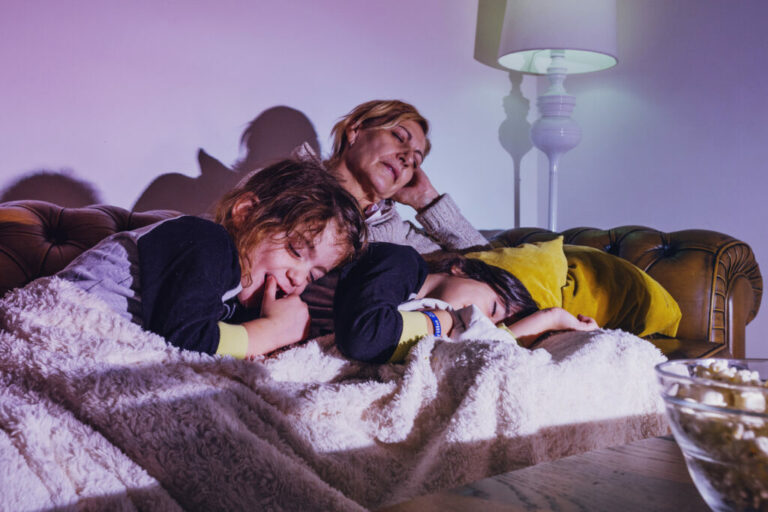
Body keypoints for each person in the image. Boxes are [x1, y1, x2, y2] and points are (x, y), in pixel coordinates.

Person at [56, 159, 367, 359]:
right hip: (65, 326)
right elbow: (185, 341)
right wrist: (274, 330)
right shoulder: (206, 240)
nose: (299, 277)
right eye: (296, 250)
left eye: (313, 275)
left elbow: (221, 347)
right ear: (246, 212)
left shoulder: (236, 300)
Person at [300, 99, 489, 336]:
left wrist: (428, 201)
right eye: (399, 137)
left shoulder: (398, 236)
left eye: (415, 162)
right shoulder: (286, 184)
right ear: (355, 130)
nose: (407, 158)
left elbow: (490, 267)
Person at [334, 242, 598, 364]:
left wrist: (552, 321)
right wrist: (450, 320)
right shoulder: (402, 261)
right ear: (460, 268)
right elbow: (366, 337)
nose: (479, 321)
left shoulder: (431, 341)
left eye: (492, 327)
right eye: (492, 309)